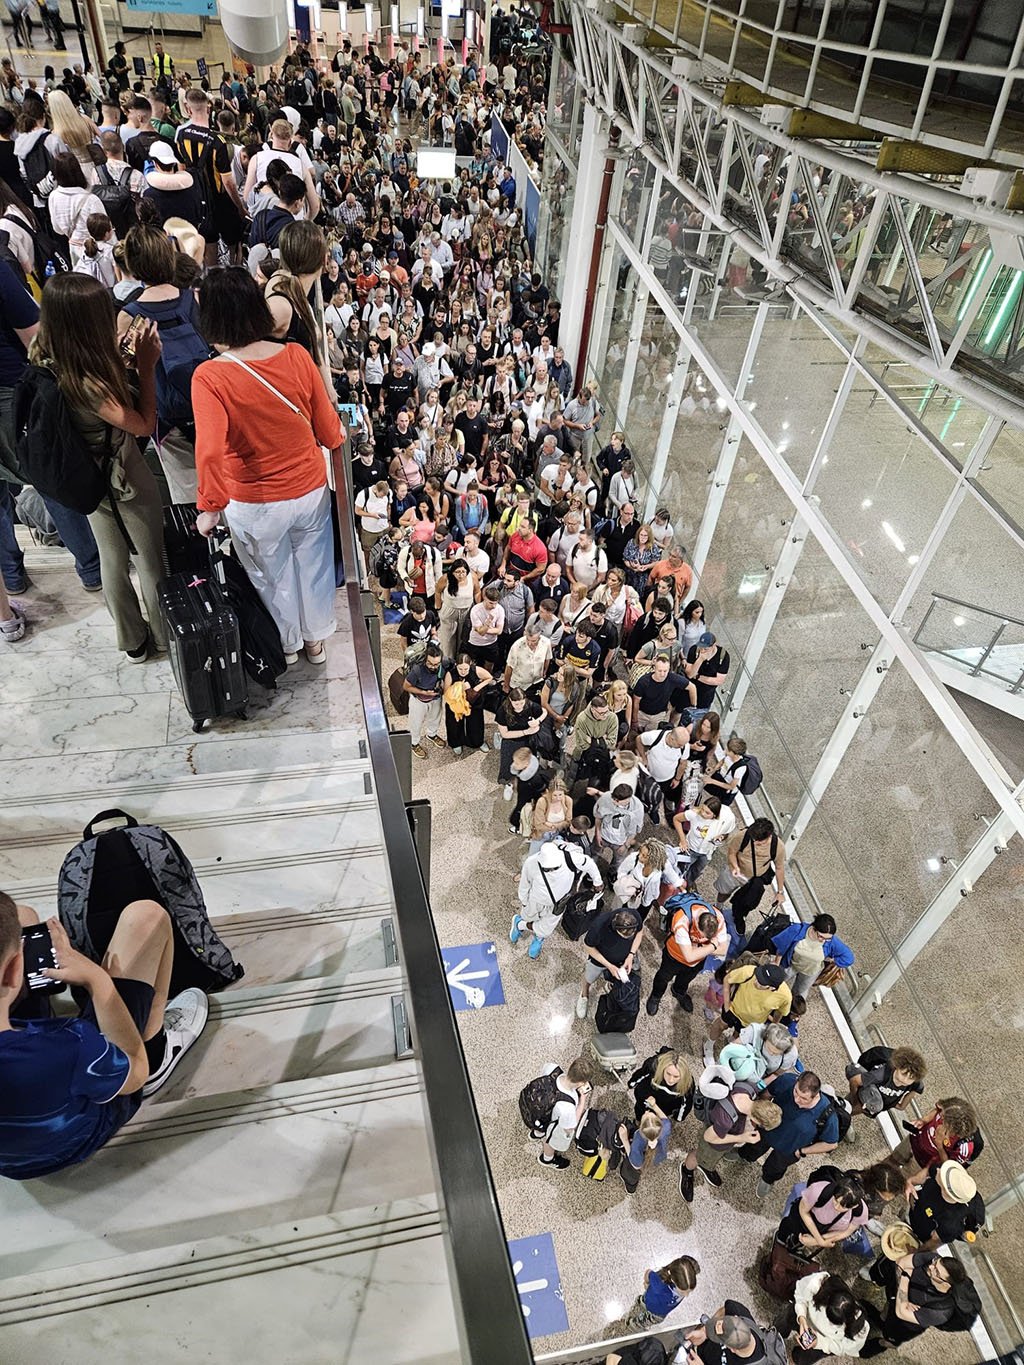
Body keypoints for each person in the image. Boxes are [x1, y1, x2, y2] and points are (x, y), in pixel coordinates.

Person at [0, 890, 210, 1179]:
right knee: (146, 916)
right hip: (70, 1141)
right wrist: (97, 982)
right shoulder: (72, 1043)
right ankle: (157, 1047)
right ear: (13, 972)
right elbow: (135, 1071)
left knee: (21, 917)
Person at [192, 267, 343, 667]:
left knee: (270, 577)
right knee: (312, 568)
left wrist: (209, 507)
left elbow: (208, 451)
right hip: (309, 489)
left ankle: (288, 646)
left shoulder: (209, 376)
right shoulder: (296, 355)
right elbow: (329, 431)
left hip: (254, 502)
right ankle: (315, 643)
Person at [31, 275, 168, 661]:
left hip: (87, 475)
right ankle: (161, 637)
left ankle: (132, 641)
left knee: (111, 557)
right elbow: (141, 423)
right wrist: (145, 367)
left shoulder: (46, 352)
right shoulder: (87, 383)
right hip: (122, 474)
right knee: (150, 559)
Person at [677, 1077, 782, 1202]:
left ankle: (707, 1166)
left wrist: (777, 1073)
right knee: (699, 1155)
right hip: (713, 1143)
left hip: (720, 1131)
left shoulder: (749, 1089)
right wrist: (741, 1137)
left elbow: (761, 1084)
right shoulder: (725, 1120)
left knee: (710, 1159)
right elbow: (708, 1137)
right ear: (756, 1120)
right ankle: (687, 1170)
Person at [738, 1070, 840, 1197]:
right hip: (767, 1131)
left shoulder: (828, 1116)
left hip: (790, 1148)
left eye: (804, 1098)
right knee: (751, 1148)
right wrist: (759, 1116)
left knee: (775, 1168)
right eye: (796, 1092)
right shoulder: (787, 1081)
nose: (797, 1099)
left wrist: (802, 1151)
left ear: (816, 1096)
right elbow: (767, 1093)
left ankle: (767, 1180)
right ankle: (743, 1155)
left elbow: (831, 1144)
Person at [862, 1251, 977, 1352]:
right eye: (935, 1263)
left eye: (936, 1271)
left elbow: (901, 1312)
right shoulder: (933, 1259)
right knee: (887, 1312)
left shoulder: (941, 1311)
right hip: (896, 1300)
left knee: (890, 1338)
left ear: (946, 1284)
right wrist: (904, 1298)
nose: (931, 1267)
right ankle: (881, 1319)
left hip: (906, 1326)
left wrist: (906, 1275)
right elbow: (901, 1263)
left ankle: (880, 1343)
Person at [511, 840, 602, 961]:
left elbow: (589, 863)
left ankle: (528, 930)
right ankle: (522, 923)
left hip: (558, 903)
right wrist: (524, 901)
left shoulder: (570, 858)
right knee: (529, 917)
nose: (552, 870)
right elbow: (524, 884)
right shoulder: (531, 862)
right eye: (548, 869)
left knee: (546, 929)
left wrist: (597, 881)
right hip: (535, 900)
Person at [646, 893, 728, 1017]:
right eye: (702, 936)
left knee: (686, 978)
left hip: (697, 962)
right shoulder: (682, 919)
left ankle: (678, 991)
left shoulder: (719, 918)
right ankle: (656, 996)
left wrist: (697, 949)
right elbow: (689, 956)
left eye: (709, 938)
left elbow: (723, 950)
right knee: (663, 977)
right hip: (674, 956)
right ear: (696, 924)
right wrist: (712, 945)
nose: (704, 939)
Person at [891, 1097, 980, 1194]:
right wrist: (923, 1120)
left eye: (943, 1119)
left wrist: (940, 1146)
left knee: (901, 1181)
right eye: (941, 1114)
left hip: (921, 1162)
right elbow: (937, 1110)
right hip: (914, 1140)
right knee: (893, 1159)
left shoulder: (964, 1147)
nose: (940, 1116)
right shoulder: (948, 1109)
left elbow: (948, 1166)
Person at [716, 818, 787, 938]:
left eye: (759, 842)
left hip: (755, 878)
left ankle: (739, 917)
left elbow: (780, 868)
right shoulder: (743, 835)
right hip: (736, 871)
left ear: (769, 837)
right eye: (753, 840)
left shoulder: (778, 846)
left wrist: (780, 892)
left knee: (748, 902)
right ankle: (718, 907)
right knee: (724, 891)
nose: (754, 843)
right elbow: (732, 852)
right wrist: (734, 866)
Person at [785, 1273, 870, 1363]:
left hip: (822, 1343)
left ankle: (797, 1358)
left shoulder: (860, 1328)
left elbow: (842, 1348)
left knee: (802, 1359)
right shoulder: (818, 1283)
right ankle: (779, 1332)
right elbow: (800, 1294)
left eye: (835, 1323)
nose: (829, 1323)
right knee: (785, 1321)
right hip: (802, 1315)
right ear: (827, 1299)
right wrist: (802, 1317)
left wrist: (819, 1343)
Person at [576, 908, 643, 1019]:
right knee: (589, 977)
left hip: (623, 959)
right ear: (615, 928)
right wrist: (609, 965)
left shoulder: (634, 915)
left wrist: (631, 954)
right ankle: (584, 995)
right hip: (600, 960)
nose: (629, 939)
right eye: (625, 937)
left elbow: (640, 932)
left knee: (617, 978)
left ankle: (611, 984)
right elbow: (588, 947)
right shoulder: (599, 926)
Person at [770, 913, 853, 1001]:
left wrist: (833, 960)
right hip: (791, 964)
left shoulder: (832, 942)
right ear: (813, 928)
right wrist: (777, 962)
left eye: (827, 938)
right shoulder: (797, 930)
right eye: (820, 936)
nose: (823, 940)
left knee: (799, 993)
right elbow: (782, 946)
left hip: (811, 971)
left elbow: (849, 958)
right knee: (776, 981)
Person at [906, 1160, 986, 1251]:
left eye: (942, 1177)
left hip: (924, 1233)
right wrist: (911, 1181)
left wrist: (914, 1254)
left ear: (947, 1192)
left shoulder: (950, 1225)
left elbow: (933, 1243)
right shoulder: (948, 1173)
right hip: (918, 1208)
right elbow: (929, 1170)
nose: (939, 1171)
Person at [536, 1056, 593, 1170]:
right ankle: (547, 1158)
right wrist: (582, 1100)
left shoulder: (552, 1068)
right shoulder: (568, 1106)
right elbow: (570, 1127)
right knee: (550, 1139)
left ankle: (536, 1133)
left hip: (539, 1109)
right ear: (581, 1082)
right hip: (552, 1120)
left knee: (540, 1124)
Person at [685, 1303, 787, 1365]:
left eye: (718, 1337)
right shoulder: (741, 1313)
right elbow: (725, 1309)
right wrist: (705, 1331)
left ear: (732, 1349)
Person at [845, 1044, 926, 1118]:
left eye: (910, 1078)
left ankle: (843, 1113)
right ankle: (842, 1115)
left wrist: (901, 1106)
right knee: (851, 1109)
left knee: (854, 1107)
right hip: (867, 1094)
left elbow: (916, 1089)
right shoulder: (881, 1074)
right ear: (896, 1066)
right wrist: (855, 1099)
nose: (905, 1080)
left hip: (875, 1101)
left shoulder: (913, 1084)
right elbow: (855, 1080)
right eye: (903, 1074)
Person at [624, 1255, 699, 1330]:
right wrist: (647, 1283)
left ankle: (636, 1322)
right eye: (683, 1292)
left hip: (659, 1315)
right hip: (649, 1303)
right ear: (674, 1280)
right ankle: (630, 1325)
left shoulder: (685, 1282)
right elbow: (649, 1272)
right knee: (640, 1315)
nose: (686, 1295)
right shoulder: (659, 1286)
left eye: (689, 1292)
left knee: (645, 1320)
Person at [442, 652, 493, 754]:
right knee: (454, 723)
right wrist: (459, 687)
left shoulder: (476, 670)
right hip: (456, 703)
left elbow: (489, 677)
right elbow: (446, 692)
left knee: (476, 722)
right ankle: (456, 743)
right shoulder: (450, 674)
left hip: (473, 701)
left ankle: (477, 742)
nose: (463, 672)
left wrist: (476, 688)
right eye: (460, 669)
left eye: (466, 669)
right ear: (456, 665)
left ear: (470, 665)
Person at [495, 686, 542, 795]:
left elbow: (543, 712)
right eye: (516, 704)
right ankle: (508, 782)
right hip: (511, 739)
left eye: (522, 703)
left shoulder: (530, 705)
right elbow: (504, 734)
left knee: (528, 761)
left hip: (528, 739)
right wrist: (526, 732)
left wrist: (538, 721)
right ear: (510, 701)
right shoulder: (502, 711)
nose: (520, 706)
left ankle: (528, 779)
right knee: (509, 762)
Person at [628, 1048, 694, 1124]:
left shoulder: (688, 1083)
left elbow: (687, 1103)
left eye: (676, 1077)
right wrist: (632, 1083)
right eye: (668, 1074)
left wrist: (680, 1117)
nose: (671, 1080)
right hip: (645, 1102)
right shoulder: (652, 1067)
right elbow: (640, 1074)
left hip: (666, 1108)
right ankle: (638, 1122)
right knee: (640, 1112)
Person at [404, 641, 446, 759]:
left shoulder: (444, 664)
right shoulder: (417, 670)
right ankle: (414, 743)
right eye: (430, 663)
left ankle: (432, 734)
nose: (433, 667)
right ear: (425, 660)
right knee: (415, 722)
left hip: (435, 697)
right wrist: (423, 692)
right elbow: (406, 686)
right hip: (418, 700)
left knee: (435, 718)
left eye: (436, 664)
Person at [593, 783, 645, 868]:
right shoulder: (606, 798)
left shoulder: (637, 808)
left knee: (618, 861)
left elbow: (635, 830)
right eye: (613, 799)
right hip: (603, 835)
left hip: (621, 841)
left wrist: (625, 845)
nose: (613, 802)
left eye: (617, 801)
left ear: (628, 799)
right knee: (595, 852)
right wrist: (598, 834)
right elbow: (598, 817)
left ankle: (612, 873)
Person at [684, 629, 731, 713]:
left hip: (705, 697)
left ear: (713, 645)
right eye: (701, 647)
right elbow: (690, 674)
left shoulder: (723, 656)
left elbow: (718, 680)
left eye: (706, 649)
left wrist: (698, 676)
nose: (702, 650)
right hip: (688, 692)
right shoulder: (694, 650)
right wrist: (700, 659)